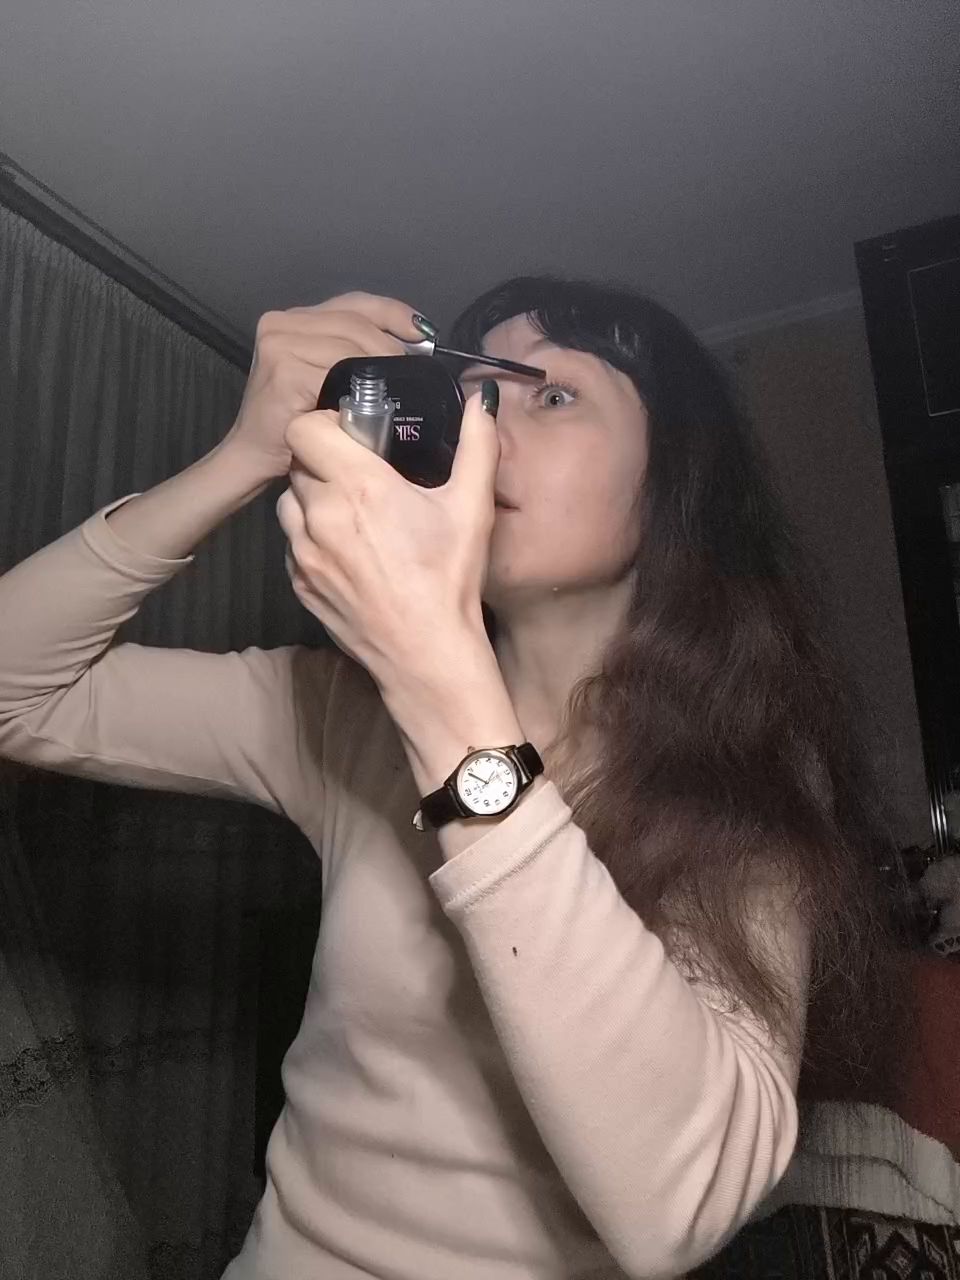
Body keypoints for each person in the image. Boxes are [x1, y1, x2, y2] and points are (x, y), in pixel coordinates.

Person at [0, 278, 912, 1279]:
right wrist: (242, 457)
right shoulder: (347, 716)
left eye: (552, 394)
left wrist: (437, 676)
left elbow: (678, 1207)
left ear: (672, 484)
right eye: (477, 394)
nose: (484, 427)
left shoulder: (741, 796)